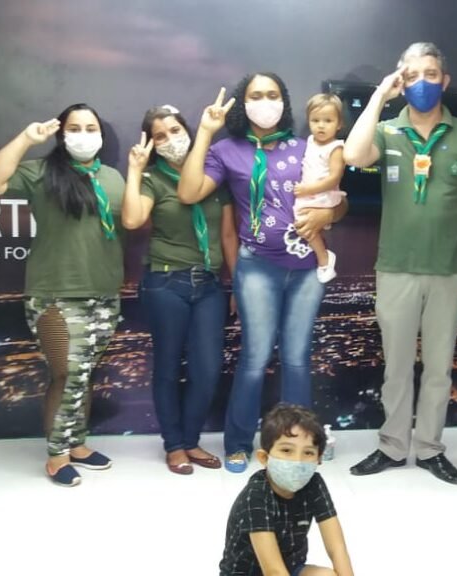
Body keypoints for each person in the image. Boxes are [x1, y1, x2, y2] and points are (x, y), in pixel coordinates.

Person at [176, 74, 348, 474]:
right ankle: (238, 443)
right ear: (244, 102)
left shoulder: (306, 147)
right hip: (257, 267)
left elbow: (340, 202)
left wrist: (328, 214)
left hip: (307, 269)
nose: (265, 101)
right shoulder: (226, 150)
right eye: (256, 95)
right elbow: (189, 192)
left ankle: (299, 446)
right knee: (254, 358)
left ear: (284, 101)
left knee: (297, 359)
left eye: (273, 95)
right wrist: (206, 131)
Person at [344, 42, 457, 485]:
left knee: (439, 370)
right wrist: (379, 95)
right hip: (396, 268)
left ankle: (429, 449)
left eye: (430, 74)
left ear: (445, 81)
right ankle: (392, 446)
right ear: (401, 82)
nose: (422, 83)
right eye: (412, 76)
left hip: (448, 271)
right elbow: (353, 155)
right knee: (396, 368)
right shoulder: (387, 132)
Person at [0, 103, 125, 487]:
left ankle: (77, 445)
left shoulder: (112, 177)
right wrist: (26, 139)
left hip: (104, 293)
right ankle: (57, 455)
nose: (83, 135)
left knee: (84, 374)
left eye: (91, 128)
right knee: (67, 374)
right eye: (74, 128)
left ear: (101, 135)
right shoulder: (42, 171)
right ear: (61, 135)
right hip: (56, 294)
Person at [122, 105, 238, 475]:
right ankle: (174, 445)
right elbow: (132, 219)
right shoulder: (153, 179)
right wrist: (134, 171)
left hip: (210, 285)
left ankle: (191, 440)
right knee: (168, 368)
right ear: (152, 144)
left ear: (188, 130)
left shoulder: (213, 173)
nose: (170, 139)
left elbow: (228, 235)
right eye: (160, 135)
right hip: (166, 282)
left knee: (208, 370)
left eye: (175, 130)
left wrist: (236, 284)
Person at [219, 404, 354, 576]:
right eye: (286, 450)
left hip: (291, 567)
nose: (297, 461)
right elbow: (273, 571)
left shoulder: (314, 483)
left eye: (308, 453)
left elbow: (337, 548)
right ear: (264, 457)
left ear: (319, 459)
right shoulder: (256, 495)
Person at [294, 93, 347, 283]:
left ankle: (324, 258)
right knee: (306, 227)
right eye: (315, 120)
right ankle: (322, 256)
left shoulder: (336, 148)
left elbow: (334, 178)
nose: (321, 125)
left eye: (328, 121)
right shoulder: (309, 141)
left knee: (304, 224)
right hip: (310, 195)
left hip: (324, 195)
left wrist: (309, 190)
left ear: (339, 124)